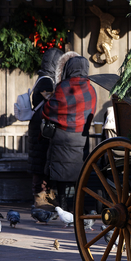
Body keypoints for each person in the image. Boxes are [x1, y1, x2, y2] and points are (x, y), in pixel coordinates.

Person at [42, 52, 98, 211]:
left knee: (60, 175)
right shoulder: (91, 89)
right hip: (81, 138)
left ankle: (63, 205)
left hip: (62, 138)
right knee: (79, 173)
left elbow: (48, 110)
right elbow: (91, 111)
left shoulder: (62, 87)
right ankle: (78, 207)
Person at [27, 47, 62, 208]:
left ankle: (44, 195)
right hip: (42, 126)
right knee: (41, 162)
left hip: (38, 125)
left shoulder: (42, 78)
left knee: (40, 161)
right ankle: (41, 197)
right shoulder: (47, 81)